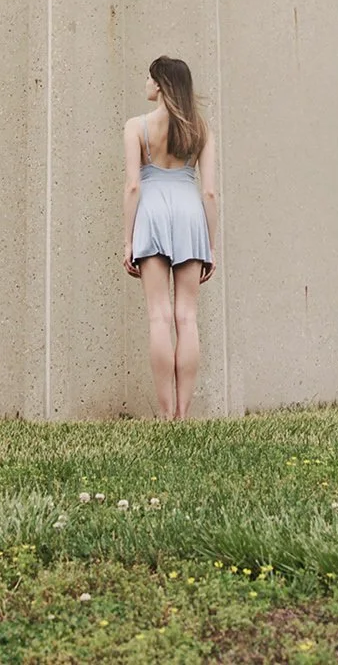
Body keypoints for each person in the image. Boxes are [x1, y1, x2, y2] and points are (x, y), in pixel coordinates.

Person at [122, 55, 218, 419]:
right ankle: (183, 412)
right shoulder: (202, 130)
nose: (146, 85)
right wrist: (210, 243)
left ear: (159, 84)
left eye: (149, 79)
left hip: (152, 213)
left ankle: (165, 415)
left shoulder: (136, 127)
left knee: (159, 317)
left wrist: (128, 240)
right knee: (187, 317)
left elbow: (133, 185)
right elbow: (209, 192)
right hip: (190, 215)